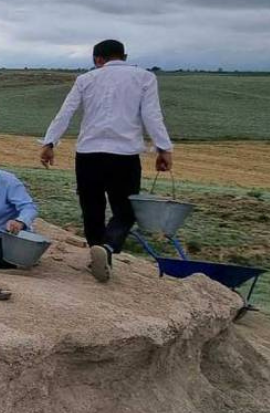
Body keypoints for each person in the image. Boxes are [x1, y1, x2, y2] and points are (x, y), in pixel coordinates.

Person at [39, 39, 174, 283]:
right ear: (124, 56)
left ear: (98, 60)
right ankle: (109, 247)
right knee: (125, 210)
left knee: (92, 208)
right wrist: (163, 148)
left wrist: (49, 144)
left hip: (88, 154)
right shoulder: (144, 78)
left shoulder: (86, 79)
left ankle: (97, 253)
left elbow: (65, 113)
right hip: (124, 156)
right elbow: (151, 116)